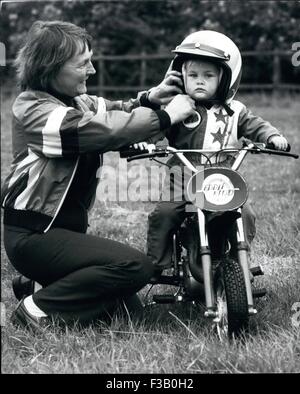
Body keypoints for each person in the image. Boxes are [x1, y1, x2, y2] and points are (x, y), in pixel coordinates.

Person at [1, 20, 196, 331]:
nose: (91, 70)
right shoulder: (32, 109)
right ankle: (36, 309)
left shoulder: (78, 101)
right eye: (83, 64)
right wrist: (166, 116)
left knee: (127, 312)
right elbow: (97, 129)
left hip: (65, 234)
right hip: (34, 236)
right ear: (51, 67)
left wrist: (150, 98)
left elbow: (118, 110)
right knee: (134, 267)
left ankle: (35, 284)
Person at [144, 30, 289, 273]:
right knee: (165, 213)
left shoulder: (236, 111)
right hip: (183, 177)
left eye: (208, 75)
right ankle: (157, 264)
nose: (199, 81)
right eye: (193, 75)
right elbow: (159, 128)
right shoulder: (178, 107)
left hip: (223, 177)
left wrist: (272, 136)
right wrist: (150, 142)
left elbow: (256, 125)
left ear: (225, 80)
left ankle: (237, 258)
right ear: (180, 77)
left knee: (245, 214)